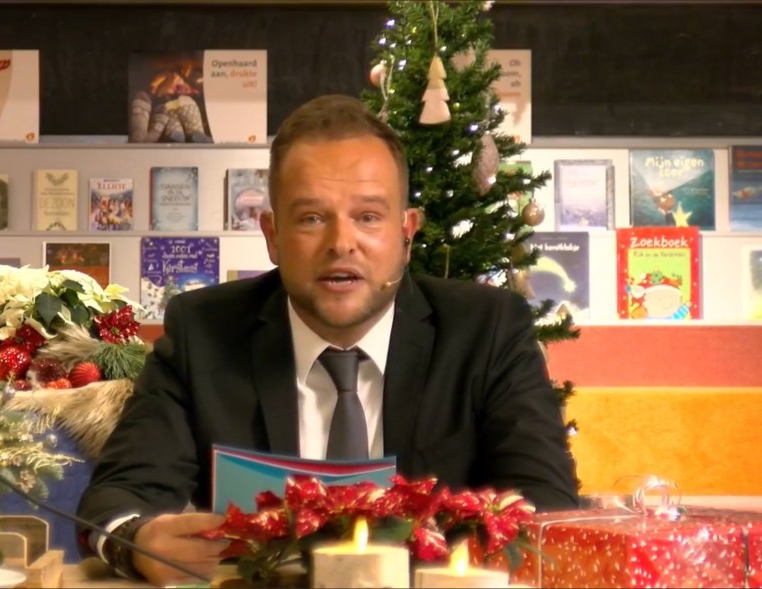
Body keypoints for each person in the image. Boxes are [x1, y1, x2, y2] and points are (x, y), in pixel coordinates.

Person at [76, 94, 579, 586]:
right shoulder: (205, 332)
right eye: (312, 218)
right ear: (272, 235)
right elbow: (117, 501)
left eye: (368, 217)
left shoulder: (487, 330)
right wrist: (138, 541)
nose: (341, 243)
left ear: (406, 233)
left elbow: (546, 505)